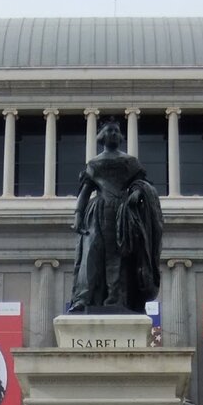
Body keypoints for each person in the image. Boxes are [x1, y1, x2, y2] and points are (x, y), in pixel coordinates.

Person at [67, 120, 162, 314]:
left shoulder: (130, 162)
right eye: (108, 130)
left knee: (118, 257)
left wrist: (137, 193)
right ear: (101, 135)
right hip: (97, 211)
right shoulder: (94, 163)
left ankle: (116, 299)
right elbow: (85, 192)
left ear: (120, 136)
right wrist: (78, 216)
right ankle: (83, 299)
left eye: (116, 131)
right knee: (91, 254)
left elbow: (142, 185)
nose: (112, 134)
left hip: (122, 213)